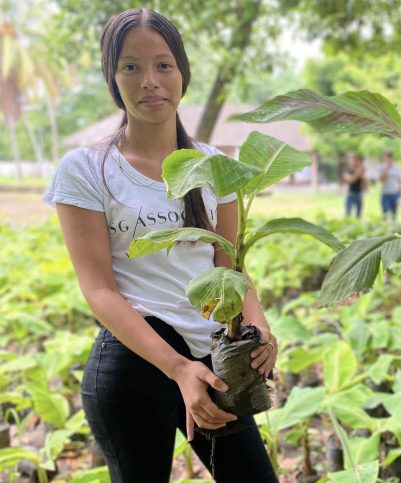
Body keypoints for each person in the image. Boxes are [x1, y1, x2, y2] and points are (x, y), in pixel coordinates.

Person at [42, 9, 277, 482]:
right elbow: (99, 291)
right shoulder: (86, 168)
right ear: (112, 78)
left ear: (183, 74)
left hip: (214, 360)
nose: (150, 81)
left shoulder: (215, 164)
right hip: (135, 363)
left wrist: (260, 327)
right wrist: (176, 368)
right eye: (131, 66)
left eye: (163, 65)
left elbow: (229, 269)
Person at [379, 151, 401, 220]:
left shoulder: (396, 168)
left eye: (388, 159)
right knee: (385, 214)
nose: (387, 160)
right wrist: (386, 169)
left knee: (394, 214)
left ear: (392, 158)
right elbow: (381, 180)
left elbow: (400, 181)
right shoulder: (382, 167)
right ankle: (385, 228)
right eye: (385, 159)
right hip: (385, 194)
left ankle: (394, 229)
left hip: (394, 193)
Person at [343, 152, 365, 218]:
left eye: (355, 159)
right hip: (350, 193)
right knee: (347, 214)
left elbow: (363, 181)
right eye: (352, 159)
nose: (353, 161)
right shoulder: (347, 169)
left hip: (359, 193)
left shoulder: (360, 169)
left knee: (358, 215)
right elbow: (351, 180)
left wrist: (360, 173)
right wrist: (358, 172)